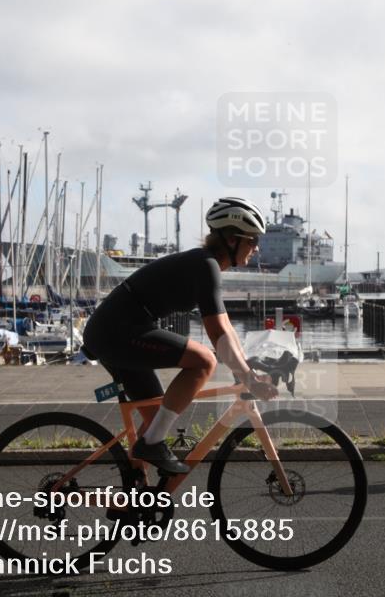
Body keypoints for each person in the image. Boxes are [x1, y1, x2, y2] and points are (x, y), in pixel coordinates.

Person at [82, 197, 278, 475]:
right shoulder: (205, 266)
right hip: (117, 331)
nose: (256, 248)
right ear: (232, 240)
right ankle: (151, 447)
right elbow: (218, 333)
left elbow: (227, 327)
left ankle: (133, 500)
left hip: (117, 330)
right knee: (204, 361)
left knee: (155, 421)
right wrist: (247, 377)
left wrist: (246, 369)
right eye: (252, 240)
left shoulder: (204, 265)